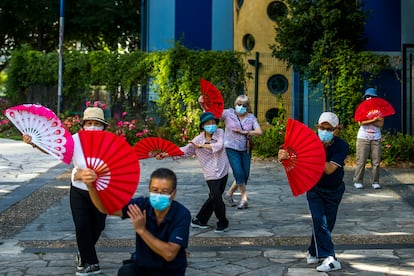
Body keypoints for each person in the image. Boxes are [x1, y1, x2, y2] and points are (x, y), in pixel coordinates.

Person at [23, 106, 109, 275]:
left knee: (98, 226)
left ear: (103, 127)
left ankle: (83, 253)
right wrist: (34, 142)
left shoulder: (110, 142)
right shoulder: (75, 140)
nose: (93, 127)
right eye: (89, 123)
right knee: (82, 226)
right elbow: (53, 149)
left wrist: (95, 172)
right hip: (79, 191)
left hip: (101, 190)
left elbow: (120, 160)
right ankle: (90, 262)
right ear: (83, 125)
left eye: (97, 124)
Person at [83, 167, 191, 276]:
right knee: (126, 271)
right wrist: (91, 186)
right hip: (143, 268)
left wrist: (142, 230)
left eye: (164, 191)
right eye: (155, 190)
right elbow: (106, 209)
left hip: (169, 271)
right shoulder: (142, 206)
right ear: (149, 190)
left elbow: (169, 254)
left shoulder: (181, 214)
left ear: (173, 194)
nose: (158, 195)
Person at [278, 112, 349, 272]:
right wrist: (283, 156)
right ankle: (331, 258)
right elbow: (291, 157)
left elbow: (330, 169)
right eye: (321, 127)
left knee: (327, 224)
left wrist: (309, 154)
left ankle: (313, 251)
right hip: (314, 187)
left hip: (334, 190)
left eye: (328, 128)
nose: (324, 131)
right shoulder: (308, 142)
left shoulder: (342, 146)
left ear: (337, 130)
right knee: (319, 220)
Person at [170, 112, 230, 232]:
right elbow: (185, 150)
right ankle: (222, 222)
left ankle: (199, 220)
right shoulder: (197, 140)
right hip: (211, 174)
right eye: (208, 123)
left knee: (213, 197)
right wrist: (167, 153)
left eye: (213, 122)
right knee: (217, 197)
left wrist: (202, 146)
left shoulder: (220, 133)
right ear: (202, 126)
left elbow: (219, 145)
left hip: (223, 171)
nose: (211, 125)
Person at [219, 95, 262, 209]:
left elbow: (259, 131)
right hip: (231, 147)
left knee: (245, 175)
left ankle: (228, 194)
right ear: (235, 104)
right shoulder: (228, 113)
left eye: (244, 105)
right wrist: (204, 105)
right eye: (239, 104)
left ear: (248, 106)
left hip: (245, 148)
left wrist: (245, 132)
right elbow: (215, 114)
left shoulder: (251, 117)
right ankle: (244, 199)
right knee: (238, 172)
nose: (241, 107)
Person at [353, 88, 384, 189]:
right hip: (363, 138)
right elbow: (360, 122)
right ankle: (358, 181)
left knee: (376, 162)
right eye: (367, 97)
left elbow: (380, 124)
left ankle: (375, 182)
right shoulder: (362, 108)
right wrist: (374, 119)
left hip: (376, 138)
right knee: (361, 161)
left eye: (372, 97)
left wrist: (370, 120)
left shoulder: (380, 110)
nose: (370, 99)